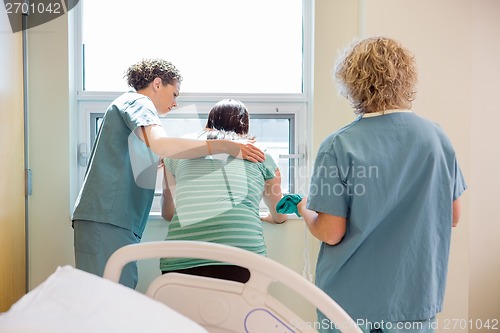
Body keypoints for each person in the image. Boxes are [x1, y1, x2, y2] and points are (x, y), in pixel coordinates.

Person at [296, 37, 467, 332]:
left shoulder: (339, 146)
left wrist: (303, 208)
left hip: (349, 306)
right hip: (415, 301)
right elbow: (452, 215)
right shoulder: (436, 138)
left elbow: (331, 232)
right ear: (406, 77)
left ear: (351, 83)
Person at [72, 59, 265, 289]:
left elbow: (151, 152)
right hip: (107, 218)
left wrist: (164, 160)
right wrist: (224, 145)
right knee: (108, 300)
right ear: (156, 84)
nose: (175, 103)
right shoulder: (138, 101)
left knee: (115, 295)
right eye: (174, 94)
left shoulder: (132, 116)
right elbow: (161, 144)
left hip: (114, 220)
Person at [160, 98, 288, 283]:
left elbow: (168, 213)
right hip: (244, 258)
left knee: (182, 312)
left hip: (179, 261)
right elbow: (280, 212)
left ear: (209, 122)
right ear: (244, 126)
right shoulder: (260, 154)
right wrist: (270, 217)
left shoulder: (178, 155)